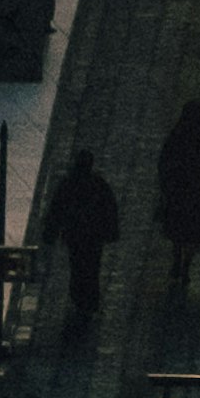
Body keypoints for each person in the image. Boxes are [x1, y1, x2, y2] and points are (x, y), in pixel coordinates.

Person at [40, 143, 122, 338]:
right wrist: (111, 232)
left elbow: (56, 210)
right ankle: (89, 302)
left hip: (75, 236)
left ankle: (79, 300)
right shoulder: (98, 184)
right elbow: (110, 210)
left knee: (77, 267)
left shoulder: (68, 184)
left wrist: (50, 233)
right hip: (94, 237)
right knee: (92, 267)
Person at [154, 99, 200, 299]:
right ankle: (185, 266)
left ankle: (177, 260)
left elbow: (164, 161)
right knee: (191, 229)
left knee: (178, 228)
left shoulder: (177, 135)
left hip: (178, 188)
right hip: (194, 189)